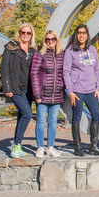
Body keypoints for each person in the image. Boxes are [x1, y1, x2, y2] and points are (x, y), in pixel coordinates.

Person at [63, 24, 99, 156]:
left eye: (84, 33)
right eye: (79, 33)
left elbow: (97, 69)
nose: (81, 35)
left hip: (91, 90)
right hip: (77, 90)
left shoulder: (92, 49)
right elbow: (66, 72)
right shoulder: (70, 51)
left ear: (87, 35)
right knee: (76, 118)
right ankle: (77, 146)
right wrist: (70, 91)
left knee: (97, 115)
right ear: (76, 34)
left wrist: (98, 87)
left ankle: (94, 146)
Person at [2, 23, 36, 159]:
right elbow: (4, 69)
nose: (25, 35)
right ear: (19, 33)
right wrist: (7, 88)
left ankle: (17, 144)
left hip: (28, 89)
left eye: (28, 33)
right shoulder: (11, 47)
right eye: (23, 32)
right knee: (27, 114)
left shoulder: (33, 50)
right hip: (15, 88)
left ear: (31, 35)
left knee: (22, 115)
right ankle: (16, 144)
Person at [31, 30, 66, 158]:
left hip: (56, 93)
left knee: (53, 121)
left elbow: (65, 72)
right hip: (42, 93)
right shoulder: (40, 54)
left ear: (56, 40)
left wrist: (63, 87)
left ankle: (50, 147)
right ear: (45, 41)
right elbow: (34, 74)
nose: (50, 41)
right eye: (48, 39)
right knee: (41, 120)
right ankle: (40, 147)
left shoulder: (61, 54)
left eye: (53, 39)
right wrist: (37, 94)